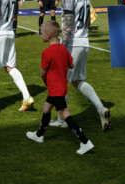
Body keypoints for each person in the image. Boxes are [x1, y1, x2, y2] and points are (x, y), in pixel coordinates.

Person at [51, 0, 110, 131]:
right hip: (84, 40)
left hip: (72, 43)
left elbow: (68, 25)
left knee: (61, 80)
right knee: (77, 80)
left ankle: (61, 119)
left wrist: (61, 47)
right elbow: (89, 21)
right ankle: (101, 109)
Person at [26, 21, 94, 155]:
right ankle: (39, 135)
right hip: (58, 88)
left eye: (42, 33)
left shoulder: (47, 52)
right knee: (46, 108)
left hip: (55, 89)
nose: (41, 36)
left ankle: (85, 142)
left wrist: (46, 80)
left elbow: (42, 73)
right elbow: (72, 65)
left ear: (49, 35)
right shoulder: (63, 49)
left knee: (65, 114)